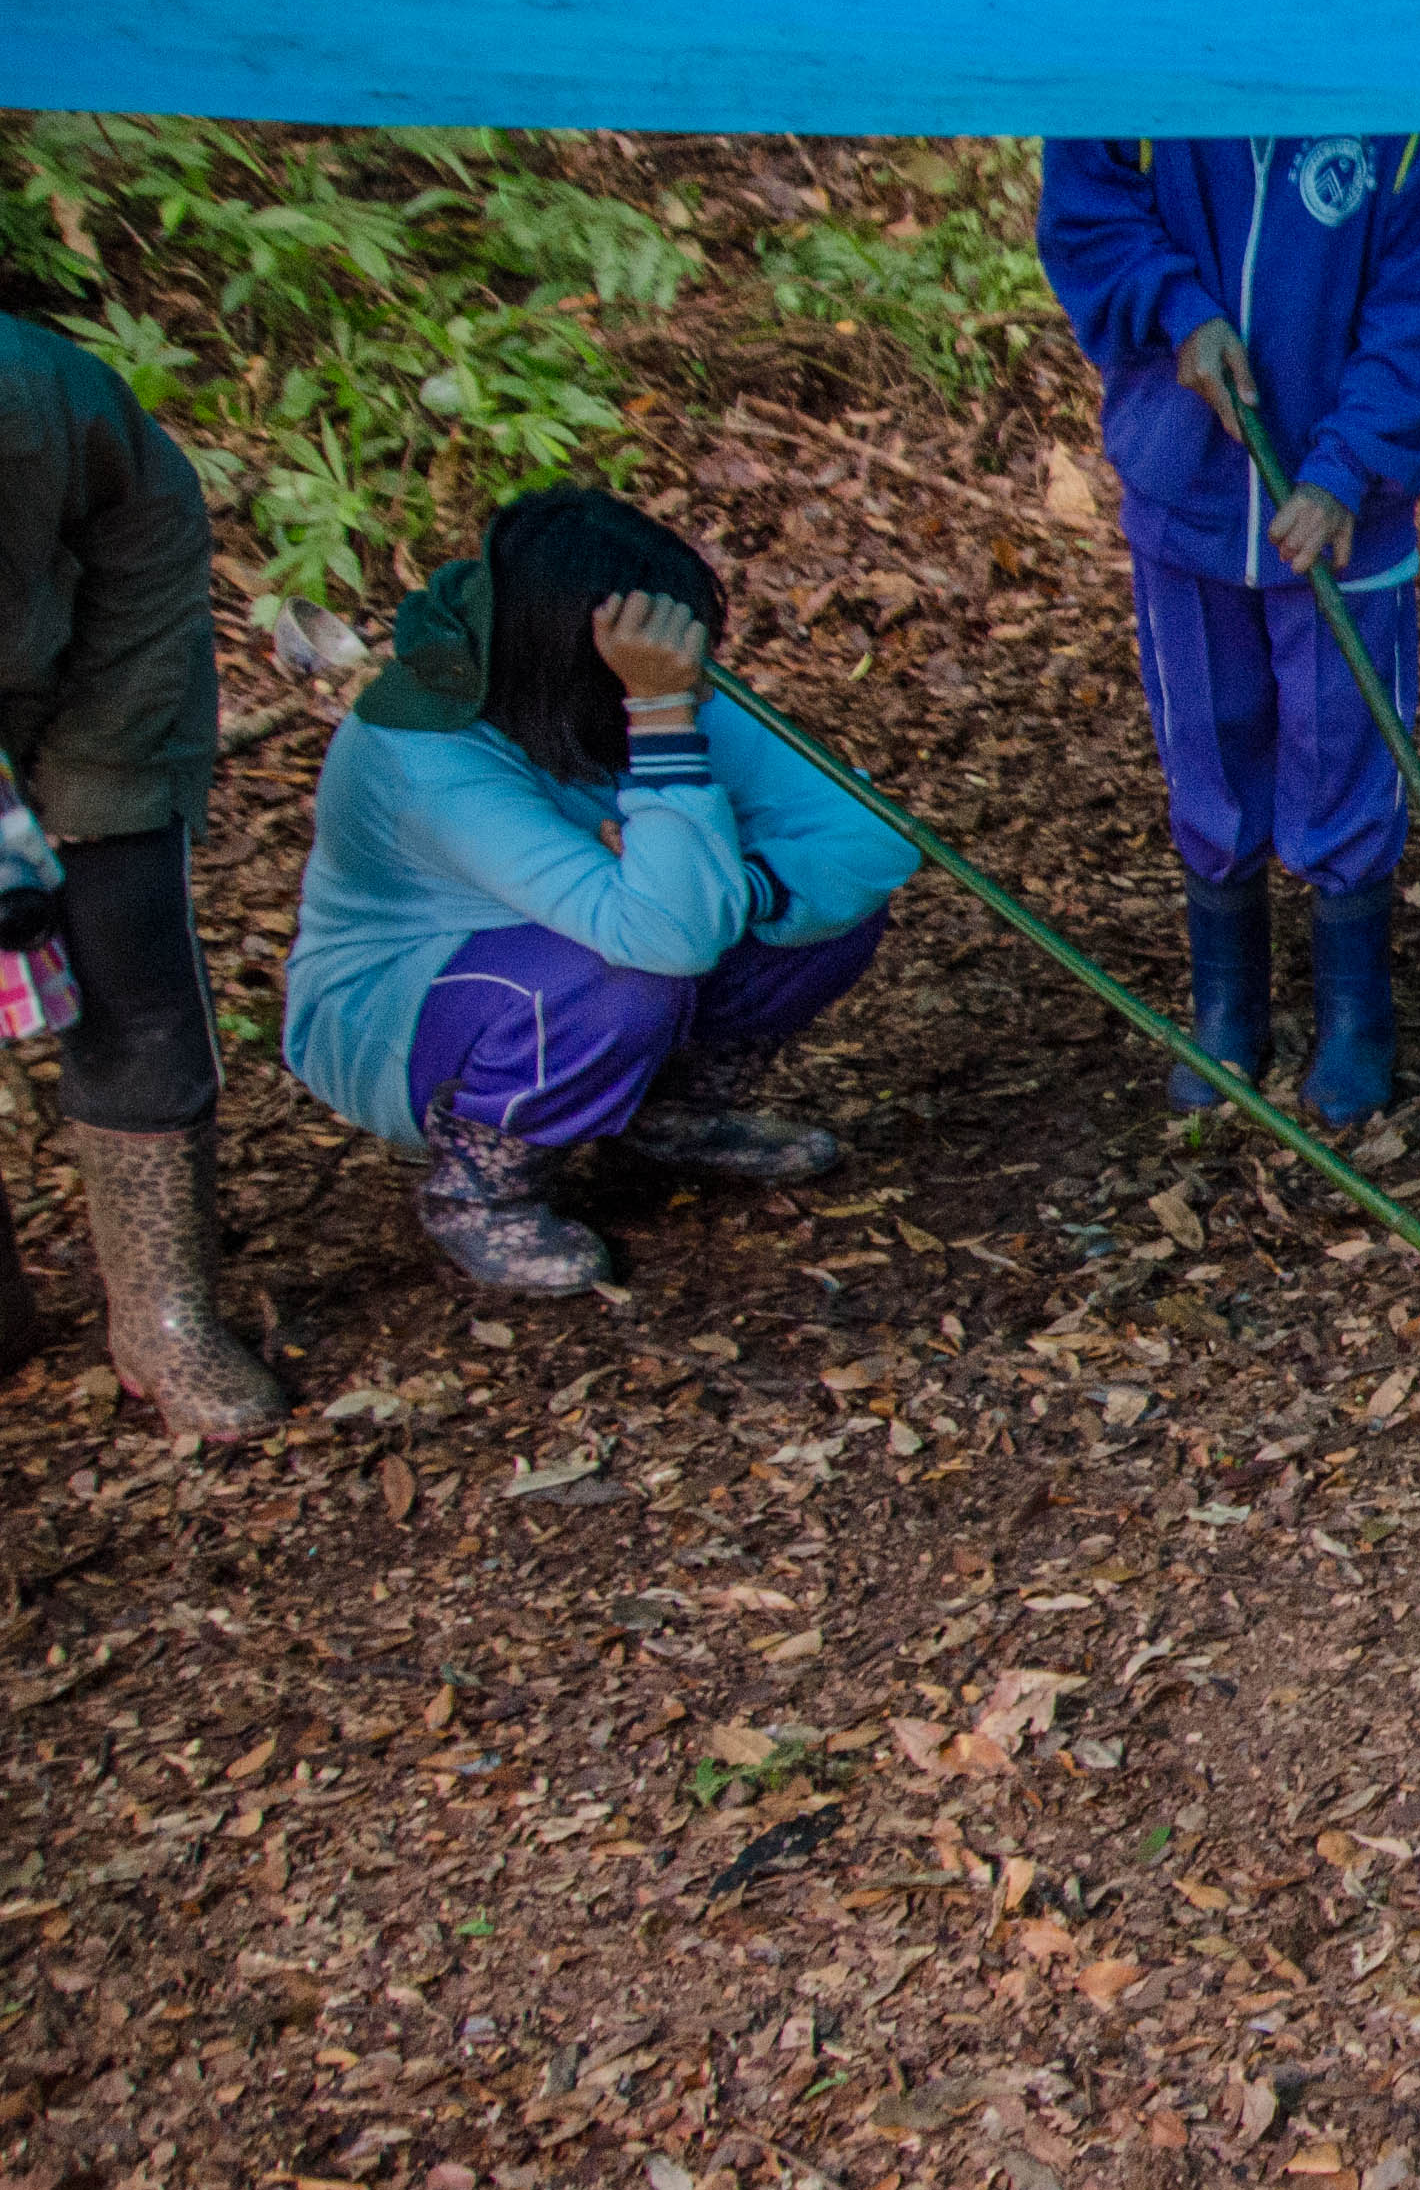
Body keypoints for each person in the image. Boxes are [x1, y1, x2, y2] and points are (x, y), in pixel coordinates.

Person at [282, 487, 913, 1296]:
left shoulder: (623, 692)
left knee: (826, 911)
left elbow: (872, 831)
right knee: (626, 975)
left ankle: (667, 1116)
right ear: (593, 657)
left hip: (600, 943)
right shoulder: (429, 758)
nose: (700, 685)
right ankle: (480, 1186)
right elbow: (667, 937)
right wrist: (658, 715)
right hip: (406, 1011)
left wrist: (748, 890)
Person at [1034, 133, 1420, 1130]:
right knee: (1205, 734)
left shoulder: (1412, 106)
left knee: (1343, 740)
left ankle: (1355, 1014)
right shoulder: (1154, 46)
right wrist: (1178, 311)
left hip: (1344, 511)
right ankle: (1228, 1006)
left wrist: (1346, 466)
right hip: (1183, 482)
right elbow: (1087, 206)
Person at [0, 308, 284, 1435]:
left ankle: (164, 1318)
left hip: (88, 669)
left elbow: (148, 530)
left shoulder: (36, 397)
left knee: (127, 953)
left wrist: (100, 771)